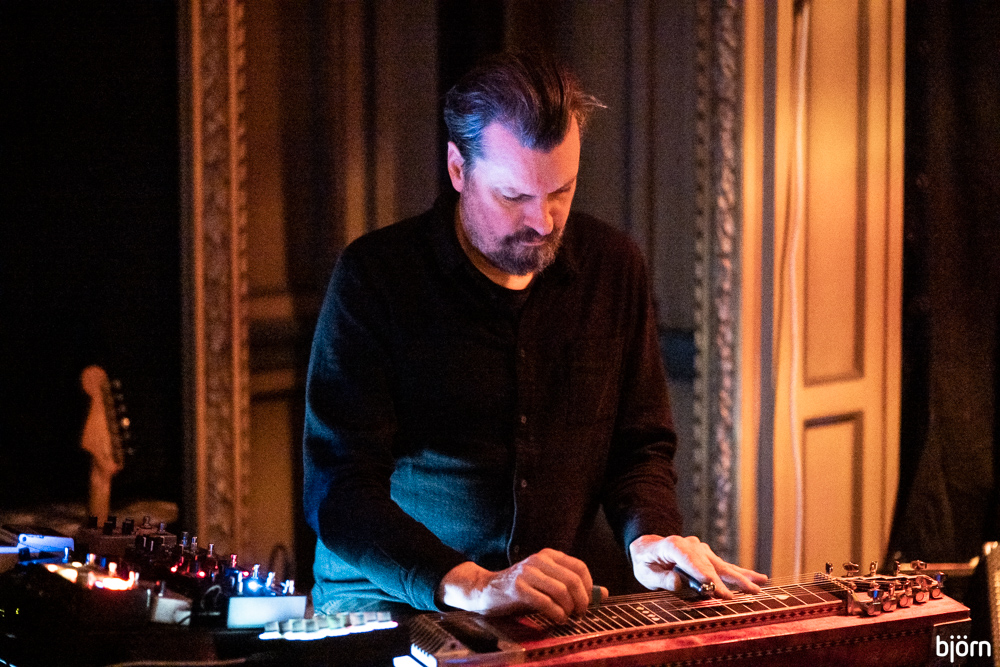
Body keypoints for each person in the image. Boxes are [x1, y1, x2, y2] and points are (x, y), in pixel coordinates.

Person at [303, 51, 766, 622]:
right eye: (514, 197)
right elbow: (340, 488)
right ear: (457, 169)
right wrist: (472, 584)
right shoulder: (375, 278)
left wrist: (647, 536)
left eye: (561, 191)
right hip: (390, 599)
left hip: (544, 600)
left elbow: (639, 447)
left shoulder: (613, 267)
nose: (543, 222)